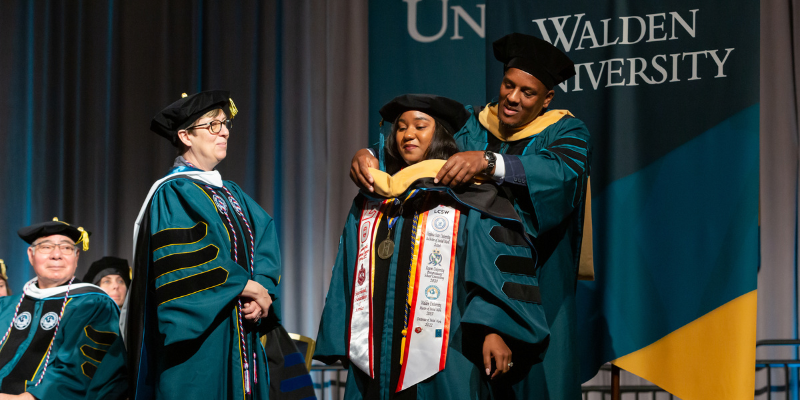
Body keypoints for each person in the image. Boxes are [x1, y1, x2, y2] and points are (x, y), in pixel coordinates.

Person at [350, 34, 591, 399]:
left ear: (547, 99)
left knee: (539, 385)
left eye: (527, 92)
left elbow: (560, 174)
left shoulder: (567, 131)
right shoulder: (472, 126)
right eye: (509, 85)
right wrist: (368, 155)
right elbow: (419, 150)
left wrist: (490, 162)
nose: (512, 97)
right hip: (465, 289)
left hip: (537, 284)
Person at [316, 94, 549, 399]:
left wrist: (496, 330)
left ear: (439, 134)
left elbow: (494, 271)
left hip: (447, 349)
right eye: (399, 127)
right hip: (378, 350)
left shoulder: (470, 197)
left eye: (420, 126)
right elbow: (349, 270)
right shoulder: (375, 200)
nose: (407, 134)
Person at [127, 90, 313, 400]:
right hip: (200, 343)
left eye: (225, 123)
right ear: (186, 136)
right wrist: (244, 286)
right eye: (213, 125)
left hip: (241, 330)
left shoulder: (231, 192)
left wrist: (262, 291)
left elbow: (265, 235)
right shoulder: (173, 192)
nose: (225, 131)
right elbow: (186, 265)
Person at [0, 219, 127, 399]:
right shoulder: (6, 306)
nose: (56, 254)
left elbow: (79, 374)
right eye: (46, 247)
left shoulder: (93, 305)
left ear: (76, 257)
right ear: (31, 254)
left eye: (66, 248)